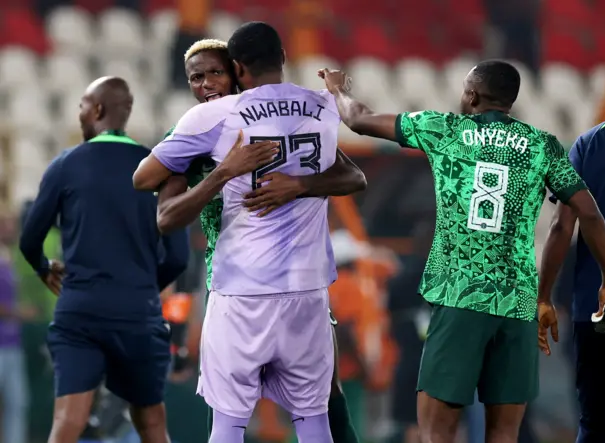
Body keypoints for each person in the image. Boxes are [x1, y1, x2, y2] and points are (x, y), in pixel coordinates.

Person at [319, 60, 605, 443]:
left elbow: (360, 120)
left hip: (460, 296)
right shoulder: (542, 146)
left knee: (436, 432)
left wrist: (337, 89)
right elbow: (588, 213)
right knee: (505, 435)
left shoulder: (446, 130)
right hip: (516, 305)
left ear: (473, 95)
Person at [133, 22, 350, 443]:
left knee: (233, 417)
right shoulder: (319, 108)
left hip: (241, 290)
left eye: (215, 73)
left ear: (236, 70)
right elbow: (350, 171)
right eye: (196, 77)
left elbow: (144, 180)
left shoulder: (207, 119)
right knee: (315, 410)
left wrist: (292, 184)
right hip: (301, 286)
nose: (207, 84)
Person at [19, 77, 190, 443]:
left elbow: (30, 238)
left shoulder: (66, 165)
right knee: (152, 425)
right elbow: (178, 257)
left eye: (81, 106)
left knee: (68, 420)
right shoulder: (160, 170)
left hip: (80, 309)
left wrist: (44, 267)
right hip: (137, 313)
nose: (79, 113)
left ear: (96, 110)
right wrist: (142, 288)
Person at [538, 51, 605, 443]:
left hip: (596, 310)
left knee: (594, 423)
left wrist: (544, 295)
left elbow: (562, 227)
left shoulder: (589, 143)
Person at [0, 210, 34, 443]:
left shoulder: (10, 261)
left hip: (13, 344)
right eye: (6, 224)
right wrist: (18, 312)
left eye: (13, 224)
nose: (12, 229)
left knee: (19, 403)